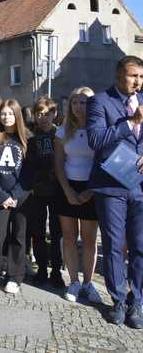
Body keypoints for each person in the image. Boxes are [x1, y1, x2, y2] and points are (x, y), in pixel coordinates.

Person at [87, 55, 143, 327]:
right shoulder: (99, 101)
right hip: (111, 186)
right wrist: (130, 122)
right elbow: (96, 139)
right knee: (113, 246)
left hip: (140, 186)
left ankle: (137, 302)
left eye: (141, 77)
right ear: (119, 75)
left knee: (140, 246)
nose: (138, 81)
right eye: (133, 76)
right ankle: (119, 300)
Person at [54, 87, 102, 303]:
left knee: (89, 240)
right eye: (75, 102)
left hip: (93, 187)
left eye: (84, 102)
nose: (79, 107)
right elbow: (58, 165)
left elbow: (104, 163)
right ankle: (73, 281)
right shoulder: (63, 131)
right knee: (70, 237)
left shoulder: (99, 129)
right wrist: (68, 191)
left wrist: (91, 190)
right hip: (68, 187)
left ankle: (88, 283)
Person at [0, 99, 32, 294]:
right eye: (3, 113)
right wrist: (2, 196)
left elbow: (30, 173)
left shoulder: (27, 138)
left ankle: (14, 276)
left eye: (10, 113)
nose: (6, 117)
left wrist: (14, 195)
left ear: (17, 115)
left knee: (19, 237)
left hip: (21, 197)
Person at [24, 96, 64, 287]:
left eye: (47, 114)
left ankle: (56, 270)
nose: (43, 118)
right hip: (36, 190)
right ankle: (41, 269)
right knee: (37, 232)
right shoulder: (30, 136)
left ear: (54, 114)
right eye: (40, 114)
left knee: (57, 233)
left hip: (58, 190)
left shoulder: (60, 134)